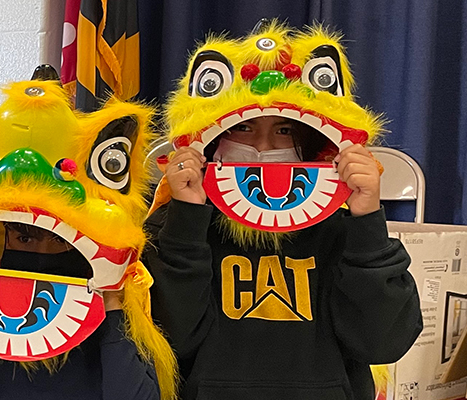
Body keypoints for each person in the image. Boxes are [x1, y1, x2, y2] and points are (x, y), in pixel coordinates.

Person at [146, 23, 422, 400]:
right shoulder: (177, 226)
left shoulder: (341, 229)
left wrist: (367, 223)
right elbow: (169, 342)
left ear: (309, 141)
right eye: (243, 128)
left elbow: (382, 343)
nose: (262, 146)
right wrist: (186, 221)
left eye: (284, 131)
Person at [0, 222, 159, 400]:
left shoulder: (115, 312)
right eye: (25, 239)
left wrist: (112, 304)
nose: (42, 252)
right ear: (6, 238)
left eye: (60, 240)